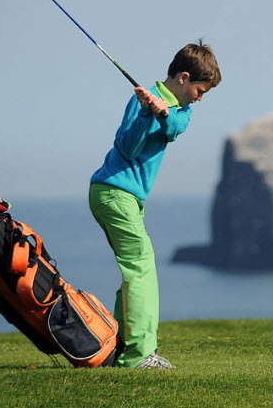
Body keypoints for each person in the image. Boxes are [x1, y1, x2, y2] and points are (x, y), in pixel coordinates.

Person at [88, 41, 221, 369]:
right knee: (141, 267)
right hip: (113, 193)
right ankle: (138, 356)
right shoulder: (142, 98)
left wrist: (160, 111)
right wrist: (146, 111)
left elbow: (174, 128)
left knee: (134, 271)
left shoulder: (182, 112)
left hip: (127, 198)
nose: (200, 98)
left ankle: (119, 347)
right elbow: (129, 148)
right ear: (184, 78)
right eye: (200, 90)